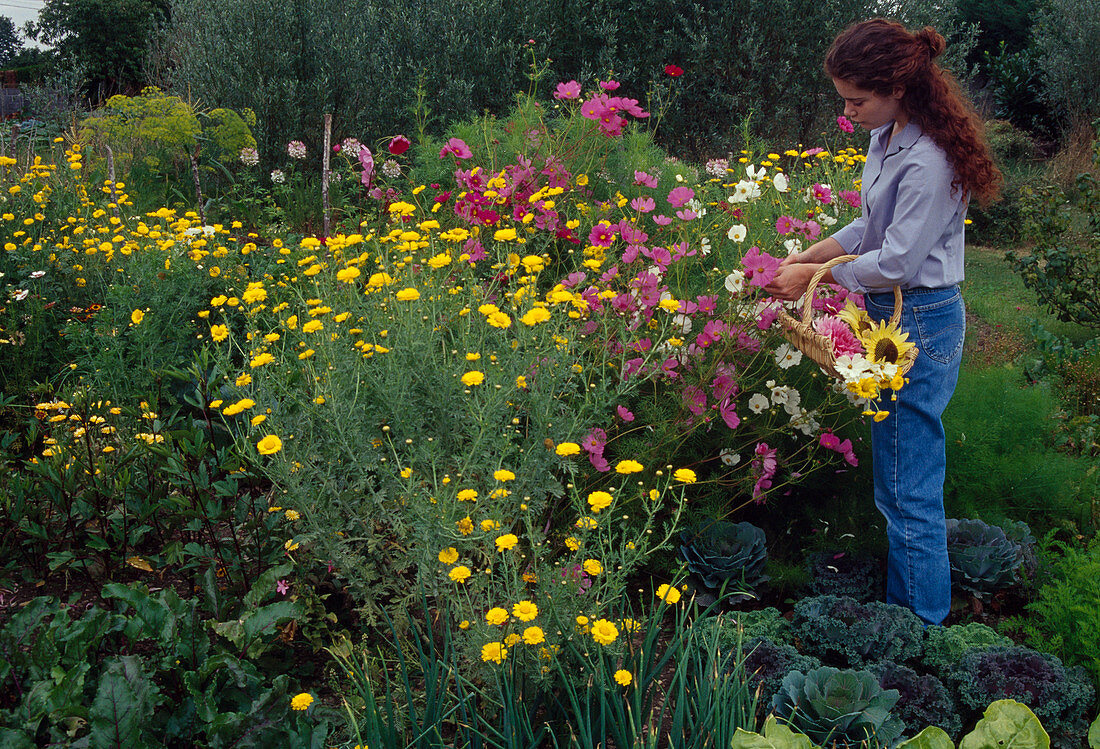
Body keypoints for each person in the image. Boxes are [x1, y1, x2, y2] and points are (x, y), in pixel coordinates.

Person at [765, 18, 1001, 626]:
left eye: (856, 99)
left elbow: (898, 259)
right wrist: (810, 256)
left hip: (919, 321)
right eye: (843, 98)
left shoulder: (930, 160)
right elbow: (871, 230)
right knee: (897, 474)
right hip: (893, 314)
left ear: (898, 88)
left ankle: (919, 627)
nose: (847, 112)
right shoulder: (888, 135)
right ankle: (914, 610)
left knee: (908, 485)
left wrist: (818, 281)